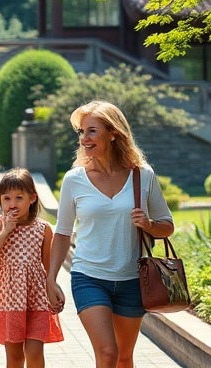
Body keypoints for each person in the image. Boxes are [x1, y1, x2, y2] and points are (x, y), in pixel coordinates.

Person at [45, 100, 174, 368]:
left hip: (132, 280)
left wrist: (148, 224)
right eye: (81, 132)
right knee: (107, 353)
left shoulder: (142, 176)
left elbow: (167, 225)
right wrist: (51, 279)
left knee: (124, 357)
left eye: (92, 131)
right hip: (89, 277)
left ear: (113, 133)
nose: (84, 138)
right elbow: (62, 233)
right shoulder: (74, 179)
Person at [0, 167, 63, 368]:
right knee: (15, 357)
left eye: (19, 198)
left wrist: (54, 288)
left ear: (32, 198)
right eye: (6, 198)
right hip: (9, 298)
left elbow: (48, 266)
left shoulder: (43, 228)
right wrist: (6, 231)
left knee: (34, 353)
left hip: (36, 296)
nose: (12, 204)